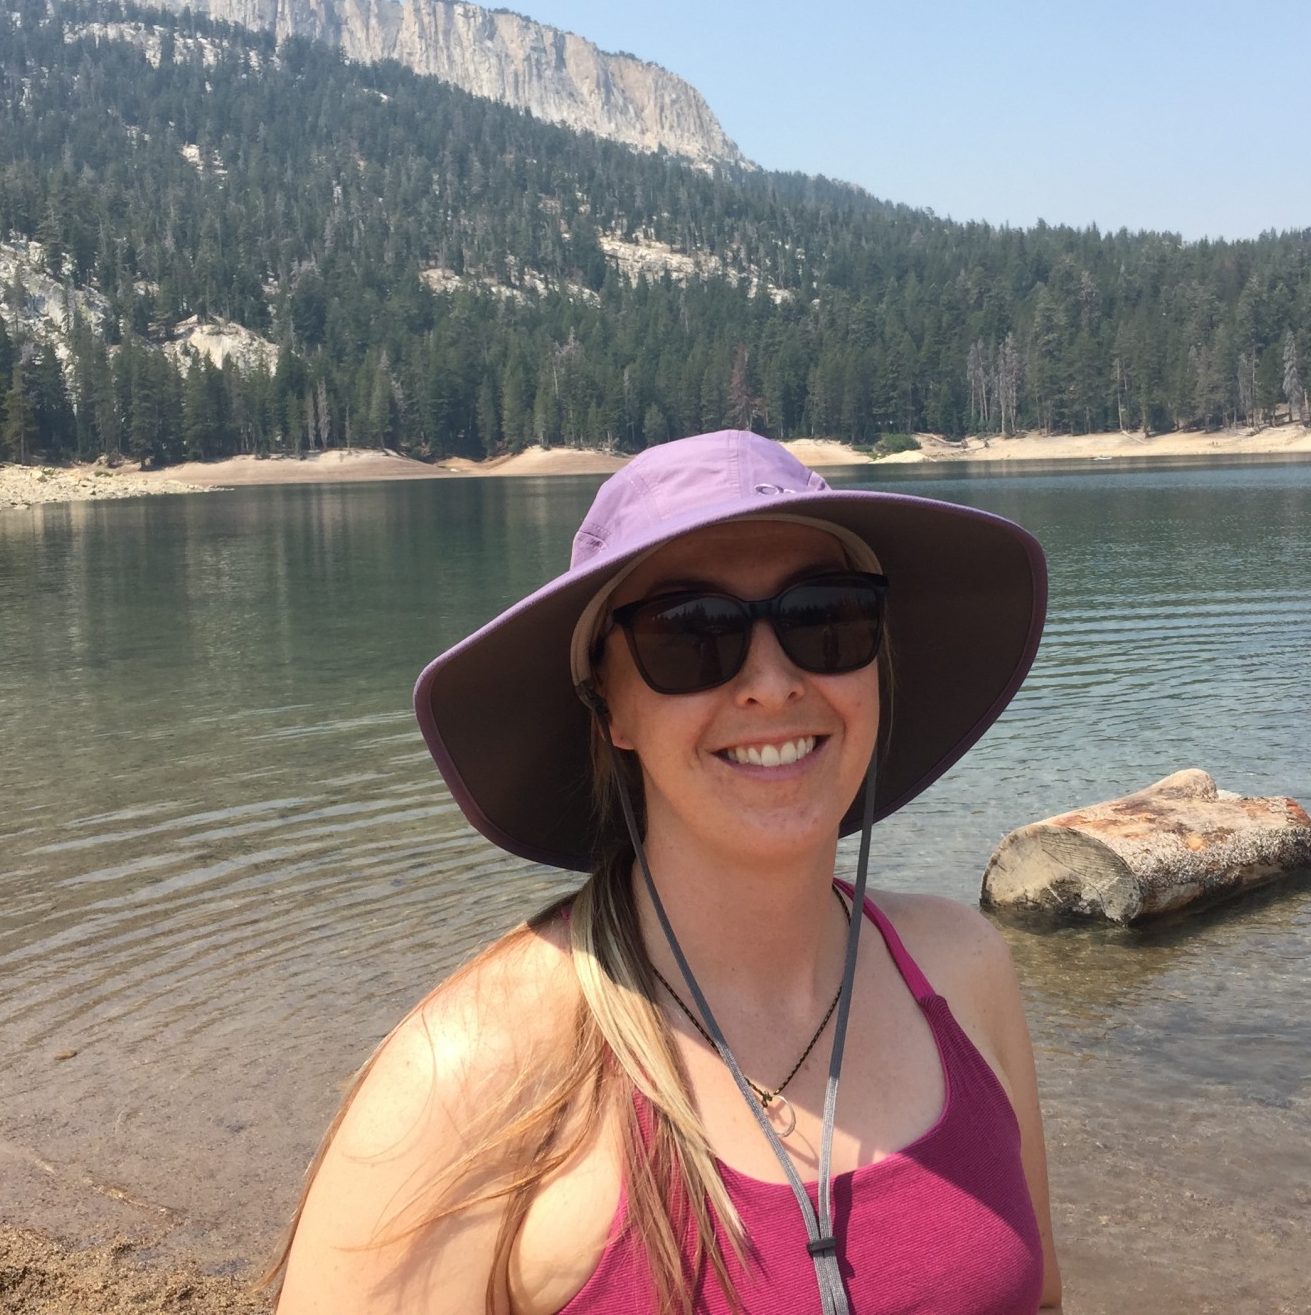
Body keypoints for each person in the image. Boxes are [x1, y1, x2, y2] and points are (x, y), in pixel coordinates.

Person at [274, 430, 1061, 1314]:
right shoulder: (465, 1083)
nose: (772, 683)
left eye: (825, 617)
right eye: (691, 633)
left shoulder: (965, 970)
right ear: (609, 706)